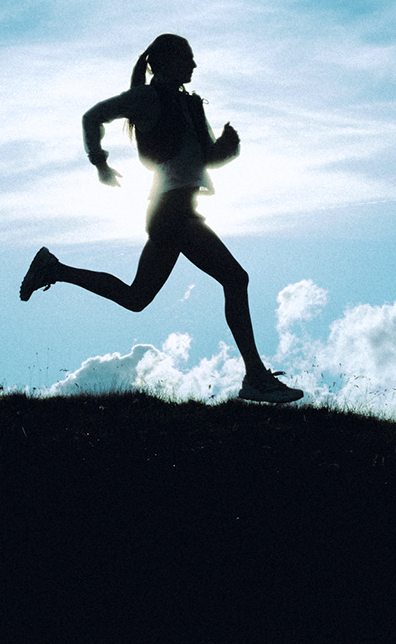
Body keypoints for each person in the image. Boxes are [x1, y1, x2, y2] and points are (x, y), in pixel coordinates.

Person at [19, 34, 304, 405]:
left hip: (177, 209)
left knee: (137, 298)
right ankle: (255, 377)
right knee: (236, 277)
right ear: (166, 61)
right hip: (172, 211)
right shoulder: (146, 98)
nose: (195, 65)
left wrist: (227, 150)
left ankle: (54, 269)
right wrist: (100, 162)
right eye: (188, 57)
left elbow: (203, 159)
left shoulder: (189, 105)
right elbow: (92, 117)